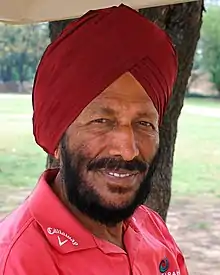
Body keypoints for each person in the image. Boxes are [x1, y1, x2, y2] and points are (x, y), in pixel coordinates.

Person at [0, 4, 188, 275]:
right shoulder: (17, 261)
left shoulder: (150, 227)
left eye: (144, 123)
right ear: (57, 141)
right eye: (102, 121)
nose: (127, 150)